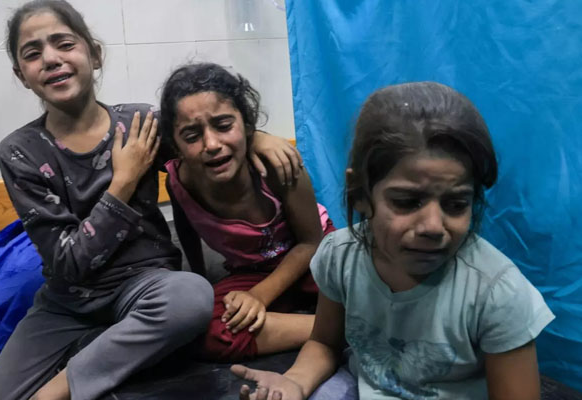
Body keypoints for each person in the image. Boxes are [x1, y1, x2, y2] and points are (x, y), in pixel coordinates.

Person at [0, 2, 301, 399]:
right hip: (68, 302)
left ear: (93, 53)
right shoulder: (20, 152)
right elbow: (69, 262)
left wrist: (257, 136)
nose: (50, 58)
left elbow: (205, 137)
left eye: (64, 43)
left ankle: (62, 389)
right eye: (32, 53)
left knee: (192, 297)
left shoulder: (142, 123)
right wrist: (124, 182)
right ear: (21, 75)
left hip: (148, 286)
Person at [231, 81, 555, 400]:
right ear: (359, 192)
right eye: (407, 202)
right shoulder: (340, 256)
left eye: (456, 205)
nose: (432, 226)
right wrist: (295, 382)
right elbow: (325, 343)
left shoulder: (496, 293)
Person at [159, 63, 334, 362]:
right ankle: (333, 326)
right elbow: (186, 226)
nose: (212, 144)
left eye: (224, 126)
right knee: (202, 328)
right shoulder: (179, 180)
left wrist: (259, 297)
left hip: (311, 259)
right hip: (252, 272)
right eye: (191, 136)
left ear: (248, 125)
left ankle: (334, 319)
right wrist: (201, 281)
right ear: (175, 144)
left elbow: (311, 243)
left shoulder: (278, 168)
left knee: (366, 286)